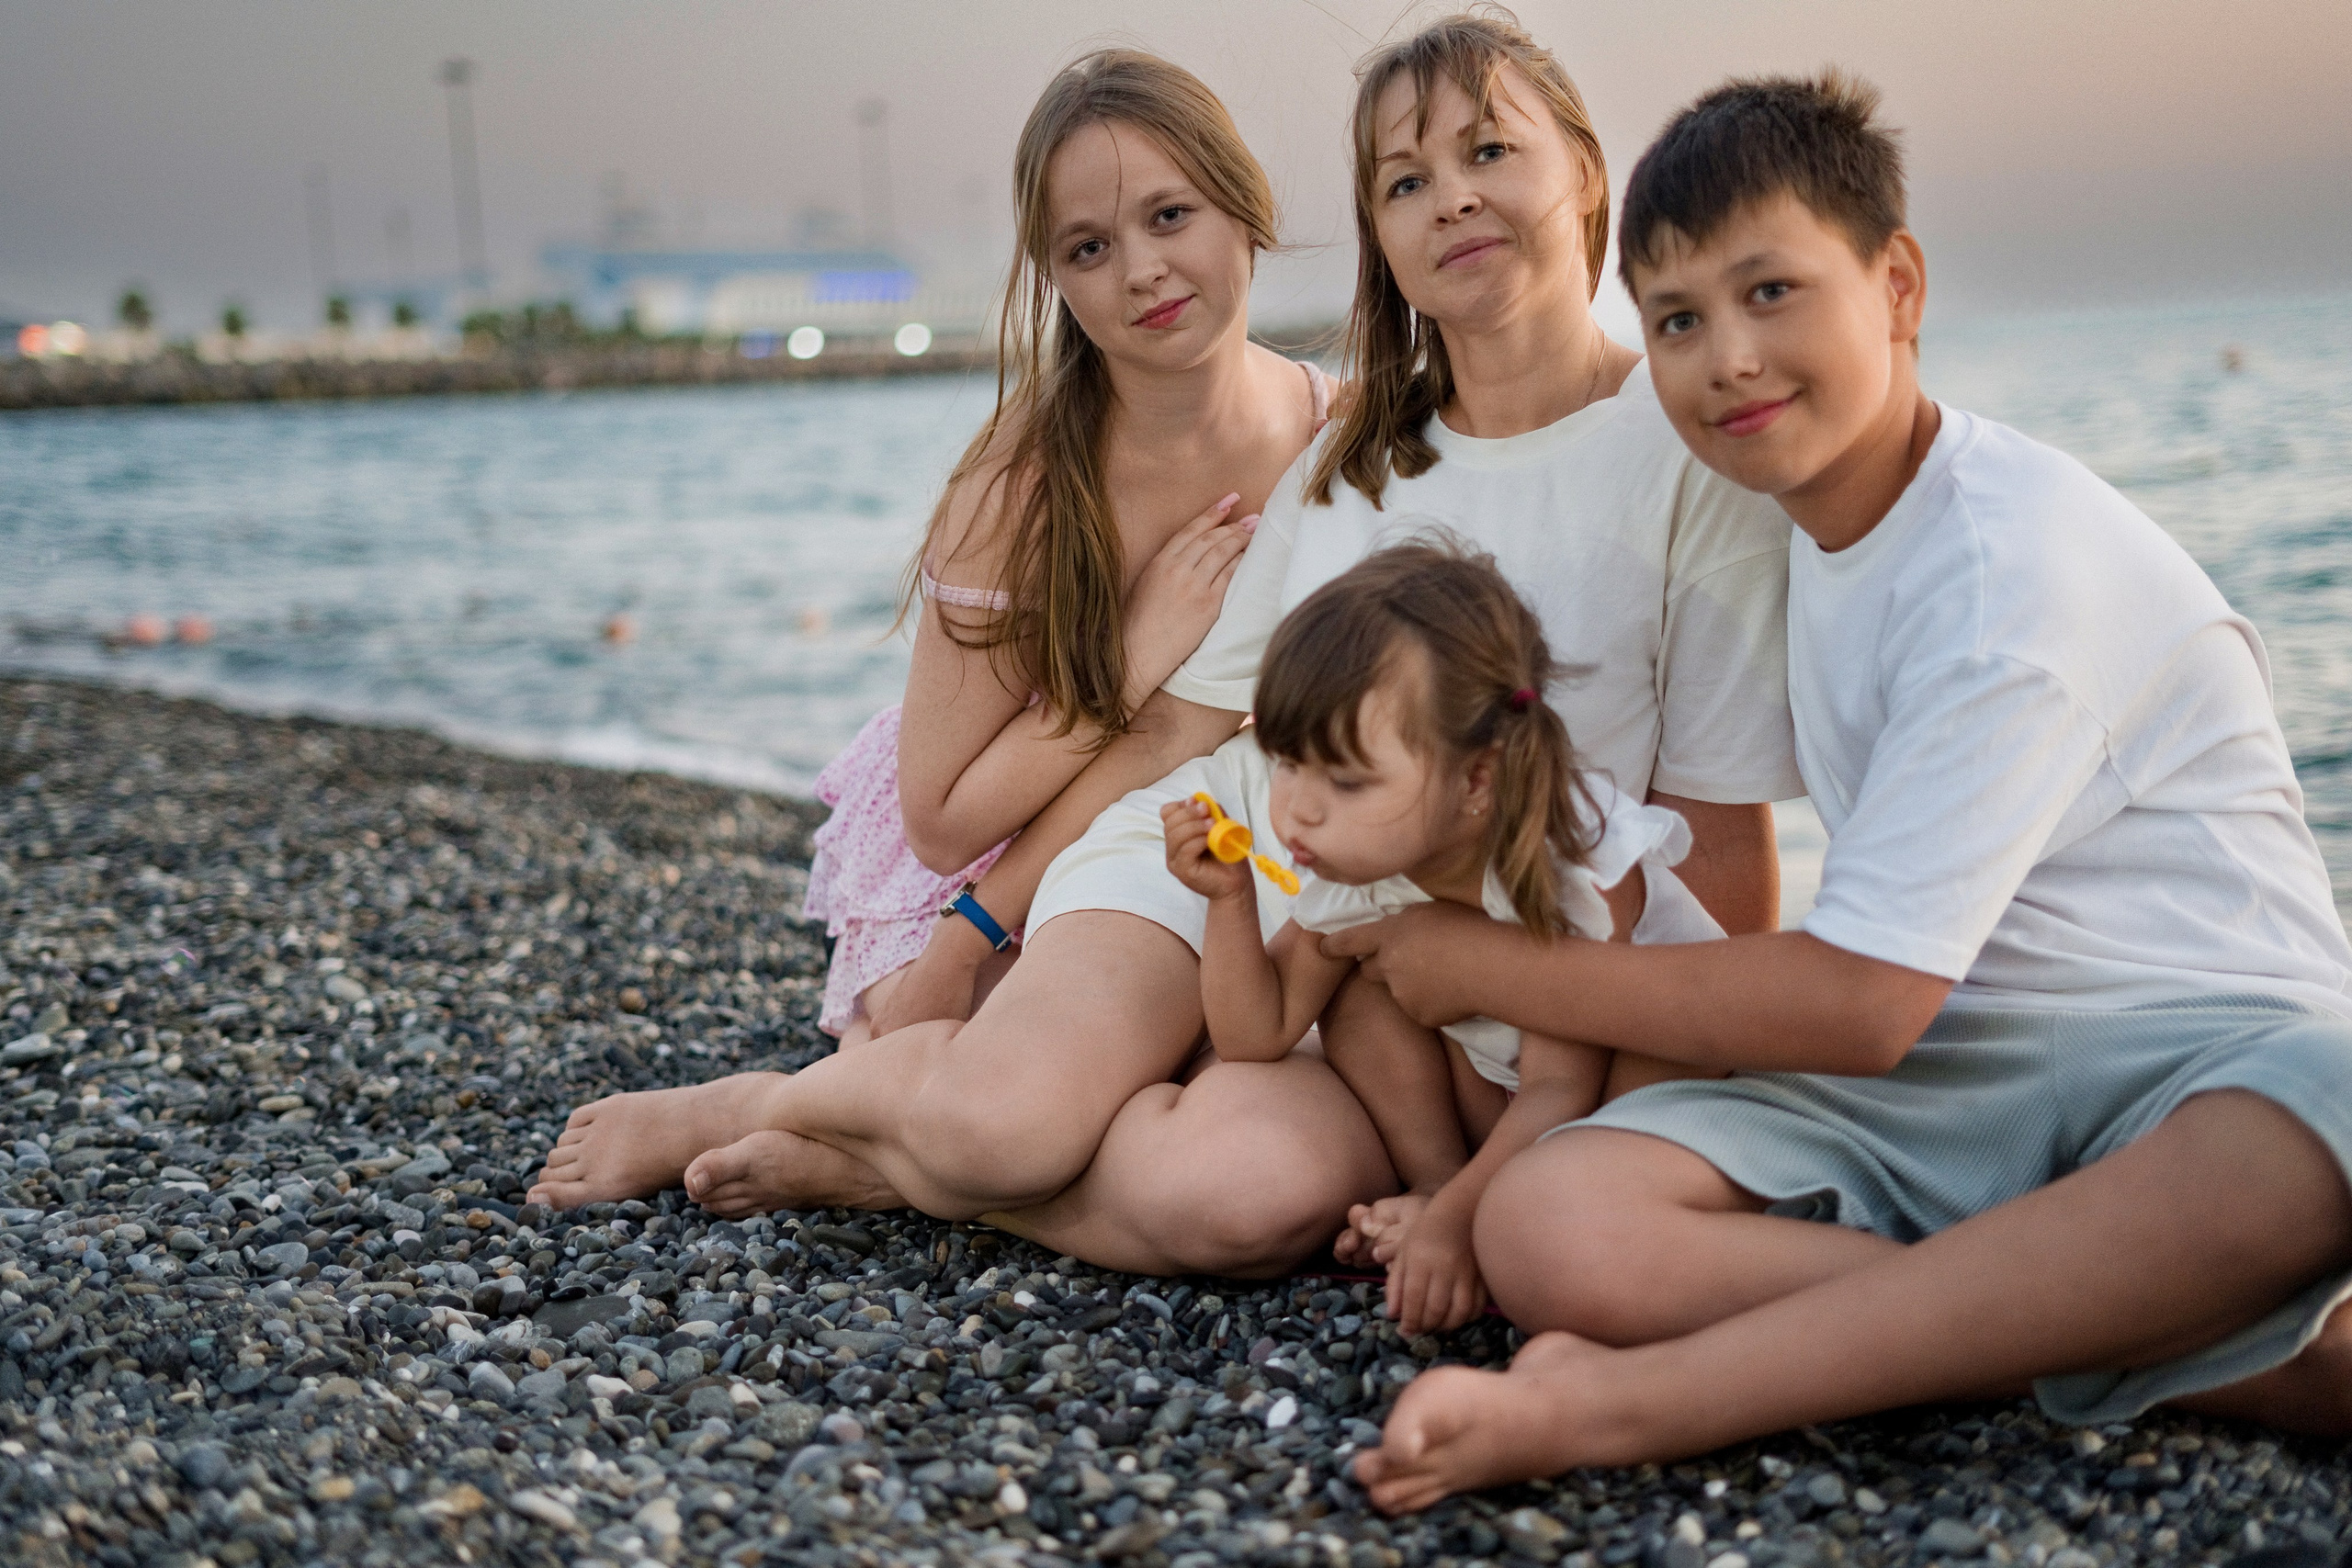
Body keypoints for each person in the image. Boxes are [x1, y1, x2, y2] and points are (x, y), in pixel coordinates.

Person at [540, 12, 1804, 1281]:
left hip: (1410, 964)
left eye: (1490, 152)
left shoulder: (1688, 449)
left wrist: (1698, 1070)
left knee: (1237, 1201)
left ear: (1586, 169)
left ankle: (889, 1166)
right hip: (1236, 851)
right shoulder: (1355, 459)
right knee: (1006, 1121)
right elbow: (1178, 734)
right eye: (1406, 182)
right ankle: (782, 1100)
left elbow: (1719, 822)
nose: (1454, 200)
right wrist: (964, 941)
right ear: (1378, 234)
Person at [1344, 72, 2352, 1514]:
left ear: (1897, 286)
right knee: (1559, 1220)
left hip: (2196, 1060)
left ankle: (1630, 1400)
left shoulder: (2010, 571)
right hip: (1962, 1076)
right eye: (1679, 319)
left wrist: (1499, 966)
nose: (1729, 356)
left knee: (2316, 1126)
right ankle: (2217, 1348)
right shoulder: (1807, 519)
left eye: (1771, 291)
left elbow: (1859, 1002)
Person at [529, 47, 1336, 1209]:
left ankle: (873, 1162)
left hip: (1215, 861)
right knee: (1034, 1113)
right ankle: (774, 1104)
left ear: (1244, 207)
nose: (1144, 271)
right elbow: (946, 813)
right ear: (1053, 278)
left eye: (1172, 215)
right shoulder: (1024, 485)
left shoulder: (1340, 431)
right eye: (1089, 248)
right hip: (985, 890)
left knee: (1241, 1170)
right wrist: (1130, 655)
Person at [1164, 542, 1723, 1335]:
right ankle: (1442, 1185)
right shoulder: (1360, 861)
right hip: (1505, 1101)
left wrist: (1460, 1224)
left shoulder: (1571, 867)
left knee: (1655, 1042)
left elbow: (1563, 1088)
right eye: (1286, 764)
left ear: (1477, 780)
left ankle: (1474, 1216)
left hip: (1634, 1107)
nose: (1298, 811)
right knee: (1360, 983)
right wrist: (1228, 901)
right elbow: (1257, 1034)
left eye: (1347, 781)